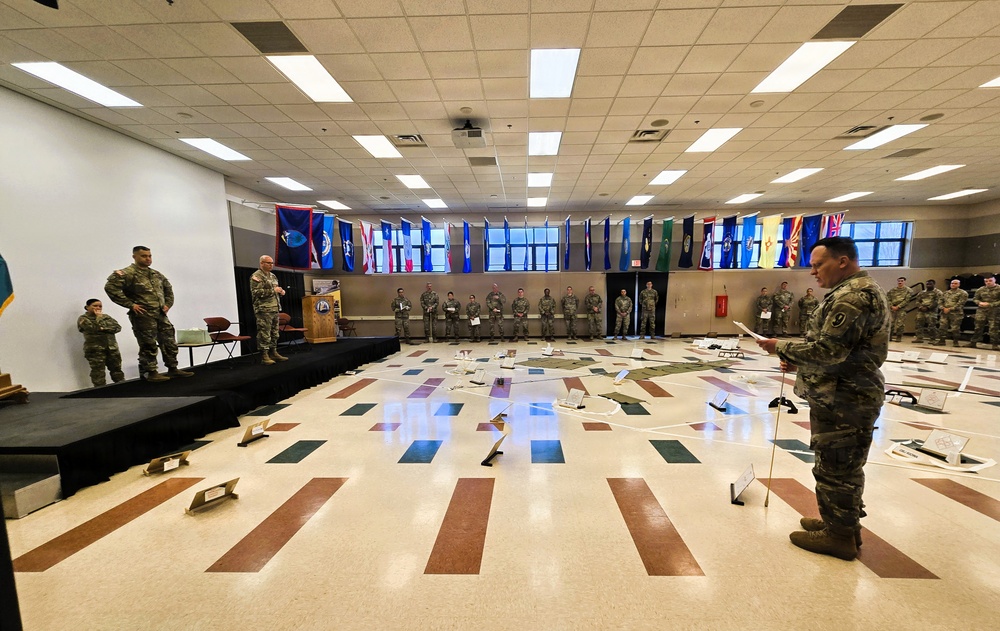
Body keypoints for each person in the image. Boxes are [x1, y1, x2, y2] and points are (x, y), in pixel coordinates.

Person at [756, 236, 888, 561]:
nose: (814, 272)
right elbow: (836, 349)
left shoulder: (853, 297)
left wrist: (781, 347)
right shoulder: (851, 292)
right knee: (840, 466)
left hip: (846, 398)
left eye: (819, 265)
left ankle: (839, 536)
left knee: (837, 468)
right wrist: (799, 358)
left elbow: (829, 350)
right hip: (842, 393)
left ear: (842, 261)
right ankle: (841, 523)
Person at [104, 245, 193, 382]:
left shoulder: (156, 274)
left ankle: (173, 368)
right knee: (148, 344)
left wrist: (168, 304)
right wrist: (131, 305)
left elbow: (168, 289)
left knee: (169, 341)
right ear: (135, 257)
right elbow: (111, 288)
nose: (148, 258)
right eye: (144, 256)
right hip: (143, 316)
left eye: (150, 256)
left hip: (160, 314)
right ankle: (151, 372)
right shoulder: (126, 274)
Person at [250, 255, 288, 365]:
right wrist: (273, 290)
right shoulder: (256, 276)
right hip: (264, 309)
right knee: (264, 333)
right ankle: (264, 355)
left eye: (272, 263)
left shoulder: (273, 276)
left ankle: (273, 352)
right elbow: (256, 293)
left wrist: (280, 292)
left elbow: (274, 291)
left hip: (274, 308)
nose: (271, 265)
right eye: (268, 263)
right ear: (261, 263)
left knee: (275, 333)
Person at [77, 298, 124, 387]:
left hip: (112, 348)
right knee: (98, 372)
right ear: (87, 307)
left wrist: (103, 327)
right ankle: (100, 393)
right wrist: (99, 319)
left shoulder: (106, 317)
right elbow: (93, 329)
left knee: (117, 370)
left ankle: (122, 389)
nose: (98, 308)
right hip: (95, 350)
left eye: (100, 306)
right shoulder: (83, 319)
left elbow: (117, 328)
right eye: (95, 306)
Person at [968, 275, 999, 349]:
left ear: (994, 280)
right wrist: (979, 303)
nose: (988, 282)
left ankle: (995, 344)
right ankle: (973, 342)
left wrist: (990, 304)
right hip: (981, 311)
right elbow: (975, 299)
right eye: (986, 281)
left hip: (994, 311)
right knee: (978, 327)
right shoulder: (981, 289)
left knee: (993, 328)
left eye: (990, 281)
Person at [937, 279, 968, 347]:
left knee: (955, 328)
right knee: (942, 327)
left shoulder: (963, 293)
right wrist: (943, 308)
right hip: (944, 313)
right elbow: (940, 302)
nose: (953, 284)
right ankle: (942, 341)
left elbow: (961, 303)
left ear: (959, 285)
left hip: (956, 314)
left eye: (955, 283)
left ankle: (955, 342)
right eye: (952, 283)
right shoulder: (945, 293)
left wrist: (950, 309)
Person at [885, 277, 912, 342]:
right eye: (899, 281)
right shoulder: (892, 290)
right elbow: (888, 299)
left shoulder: (908, 290)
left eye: (902, 281)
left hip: (902, 309)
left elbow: (907, 300)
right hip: (892, 309)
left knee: (900, 323)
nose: (900, 282)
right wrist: (892, 306)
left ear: (904, 281)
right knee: (891, 323)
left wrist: (898, 306)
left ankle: (899, 336)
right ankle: (889, 336)